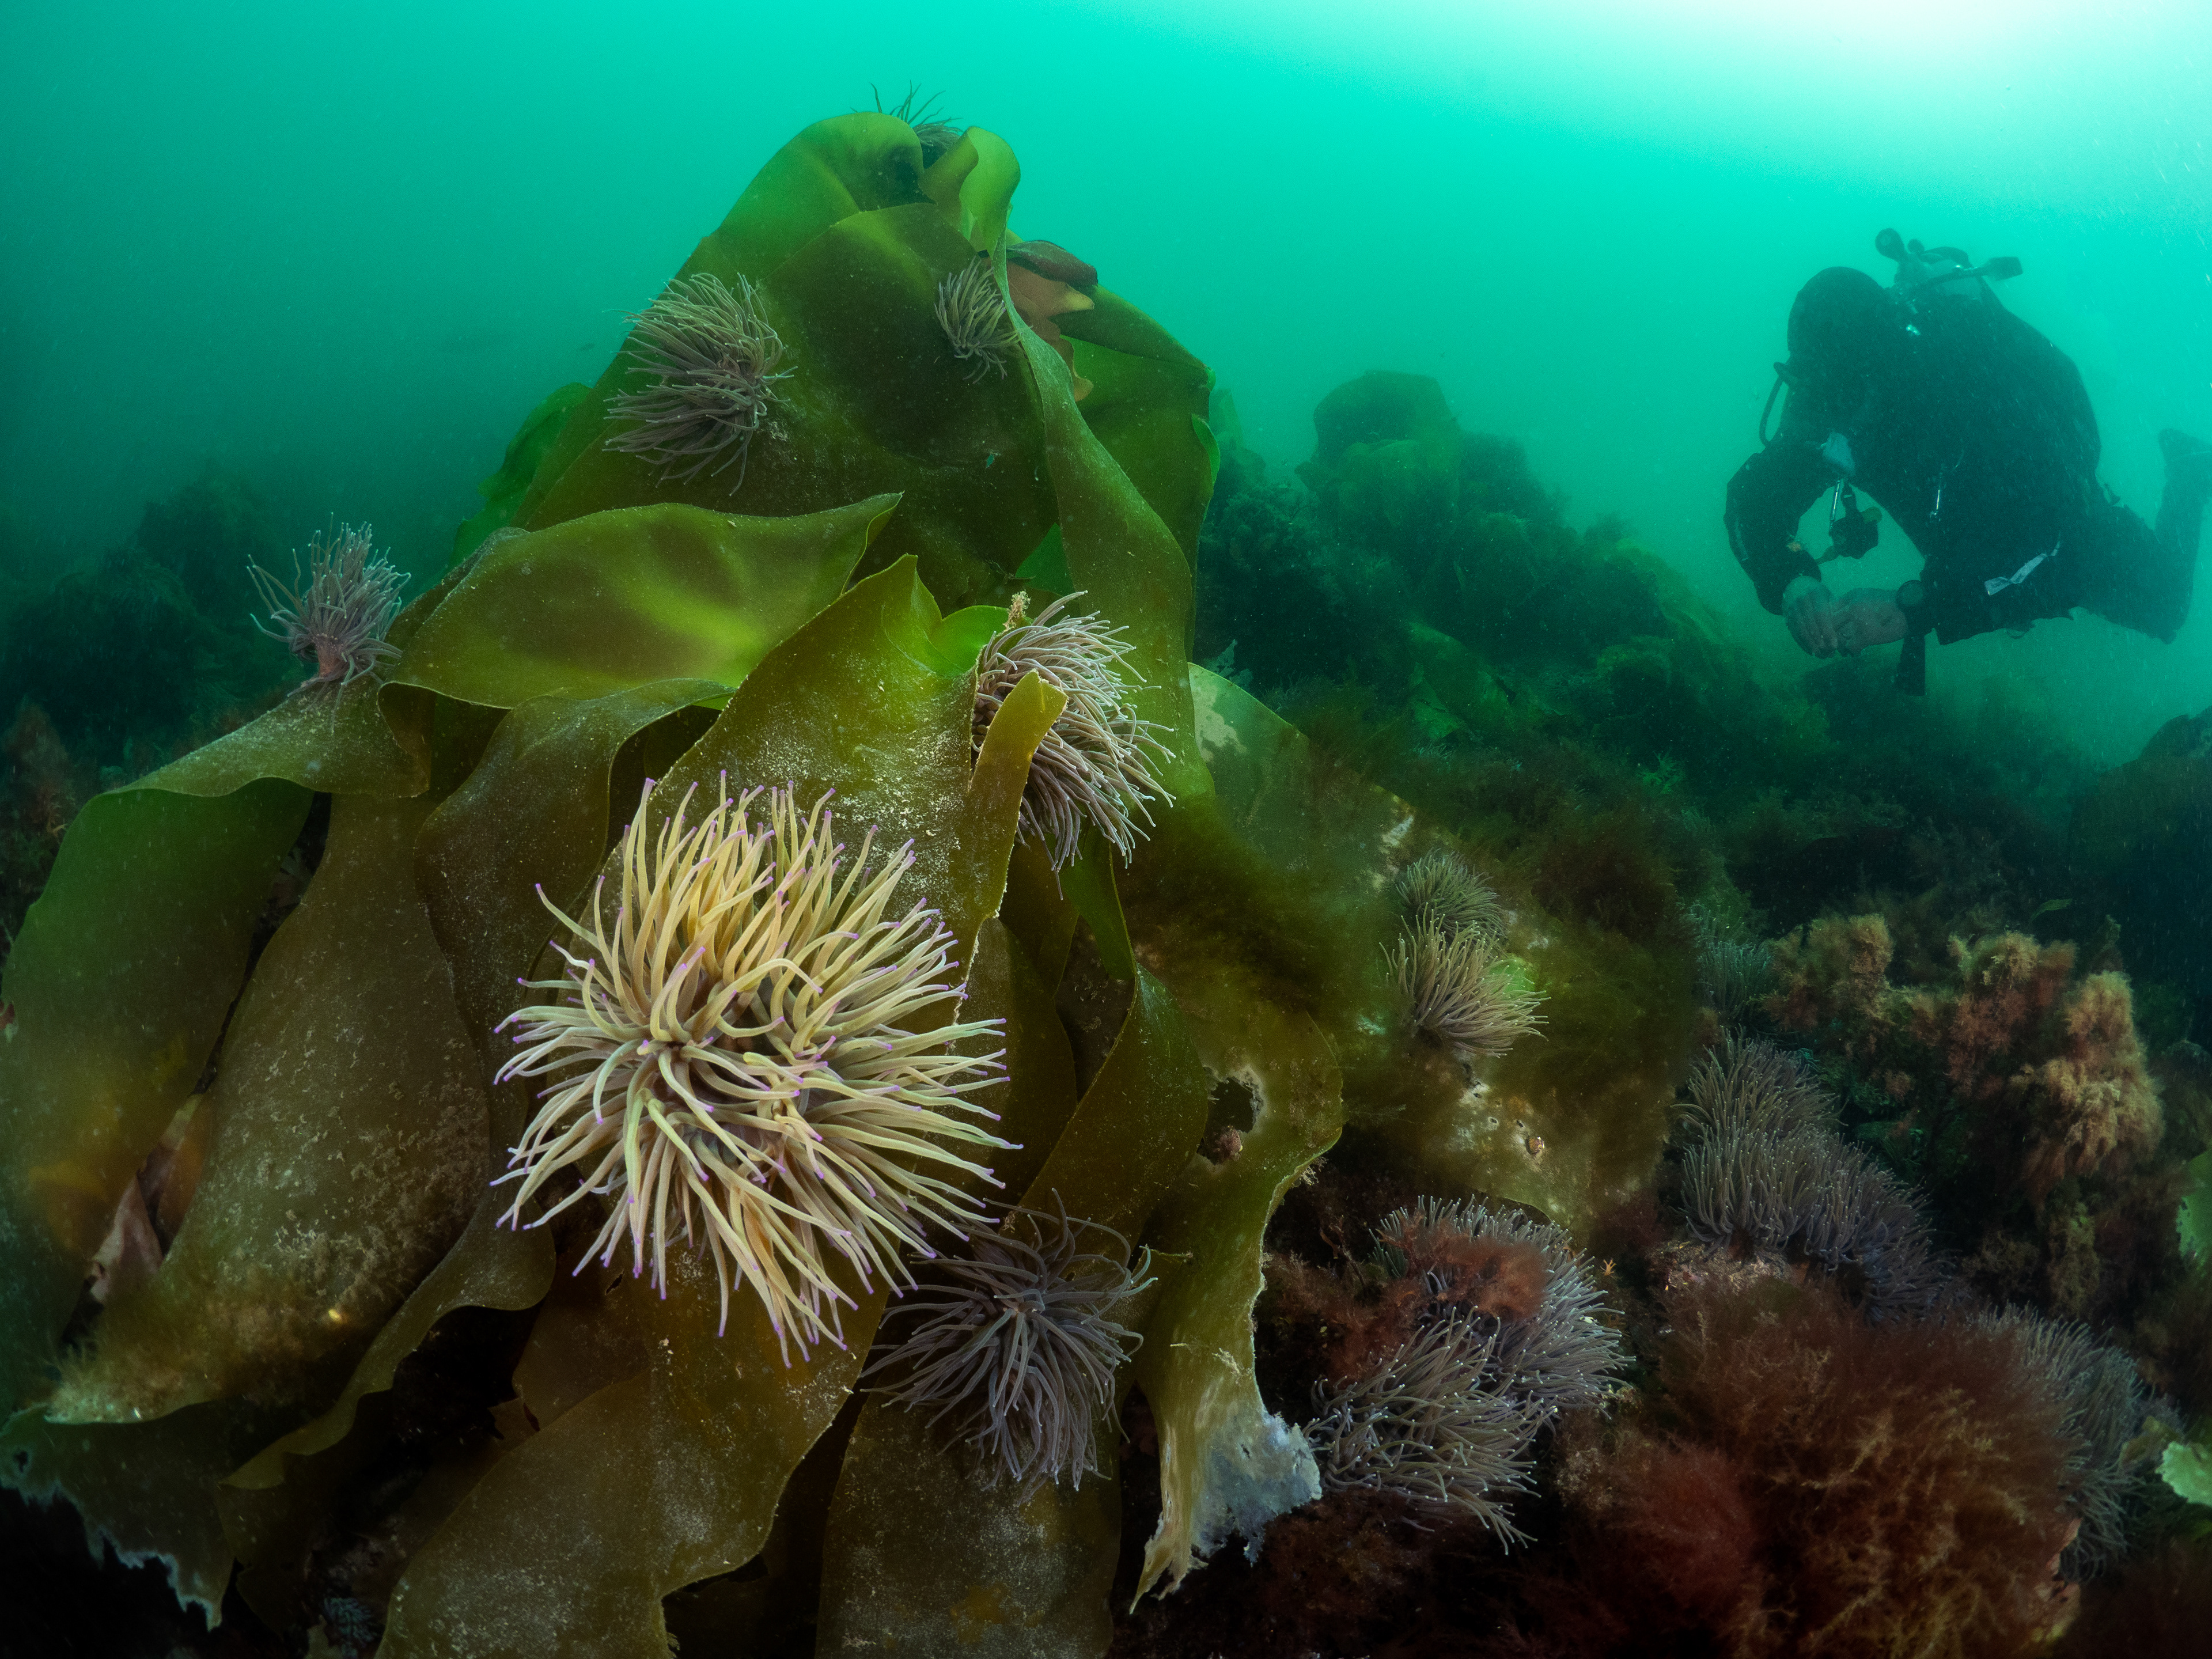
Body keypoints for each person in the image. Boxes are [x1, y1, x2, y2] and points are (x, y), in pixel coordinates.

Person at [1724, 234, 2211, 688]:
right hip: (1971, 544)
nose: (1835, 417)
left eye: (1847, 391)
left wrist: (1915, 608)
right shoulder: (1826, 398)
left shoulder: (1970, 389)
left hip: (2067, 525)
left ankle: (2190, 468)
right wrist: (1791, 579)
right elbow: (1753, 503)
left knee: (2165, 607)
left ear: (1884, 362)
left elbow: (2050, 550)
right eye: (1819, 389)